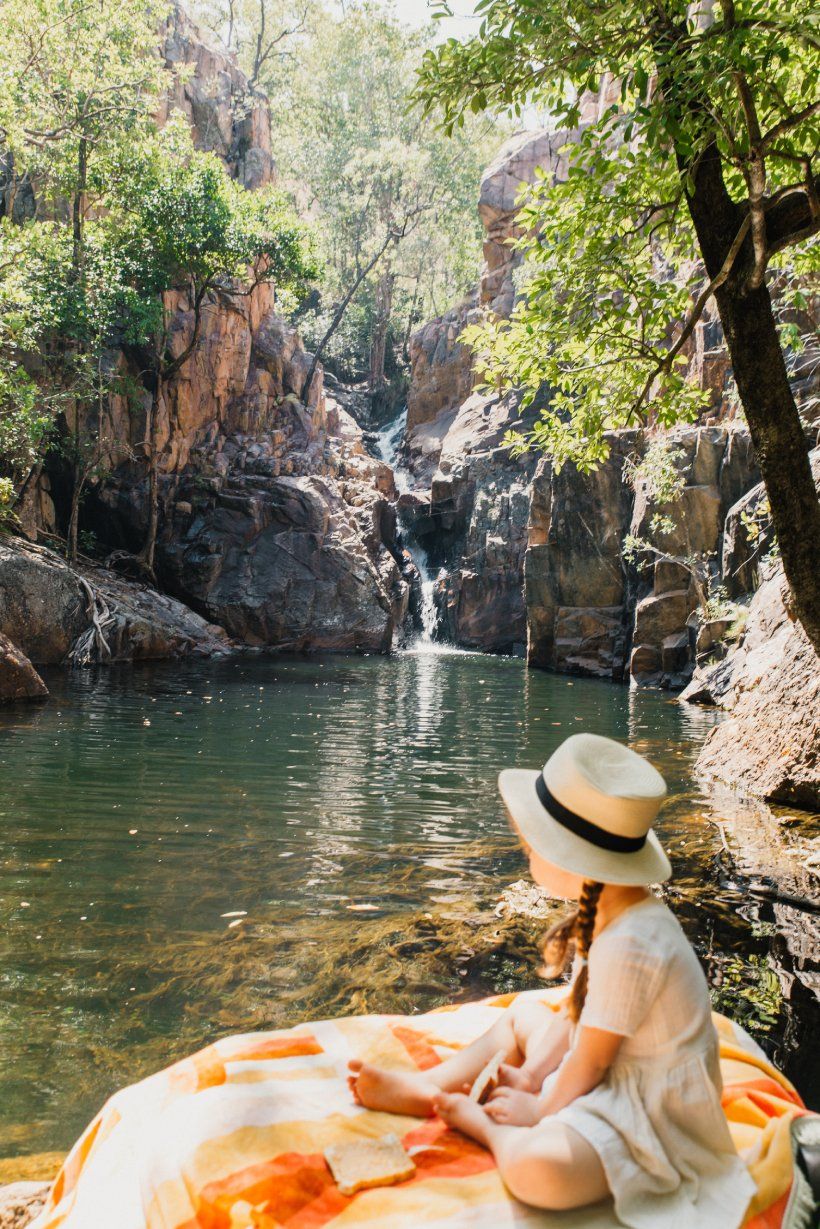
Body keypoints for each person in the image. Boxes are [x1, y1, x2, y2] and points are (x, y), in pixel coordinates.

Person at [348, 733, 756, 1227]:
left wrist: (539, 1108)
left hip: (645, 1106)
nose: (528, 856)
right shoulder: (609, 910)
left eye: (531, 848)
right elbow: (574, 1014)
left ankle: (483, 1128)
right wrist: (531, 1073)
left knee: (541, 1171)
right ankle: (425, 1087)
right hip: (610, 1072)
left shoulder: (633, 941)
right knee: (522, 1015)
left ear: (574, 863)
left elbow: (591, 1059)